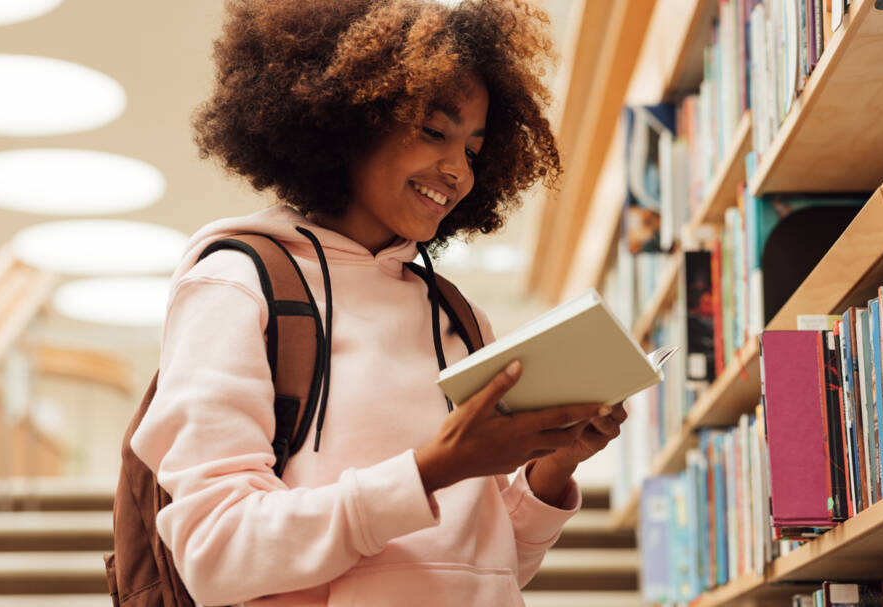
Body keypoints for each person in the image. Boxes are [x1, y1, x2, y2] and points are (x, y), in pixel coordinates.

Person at [130, 1, 628, 605]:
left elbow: (488, 567)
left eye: (473, 149)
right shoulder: (237, 285)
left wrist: (554, 467)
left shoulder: (458, 316)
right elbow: (217, 550)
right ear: (351, 120)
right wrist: (428, 471)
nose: (457, 172)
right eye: (434, 132)